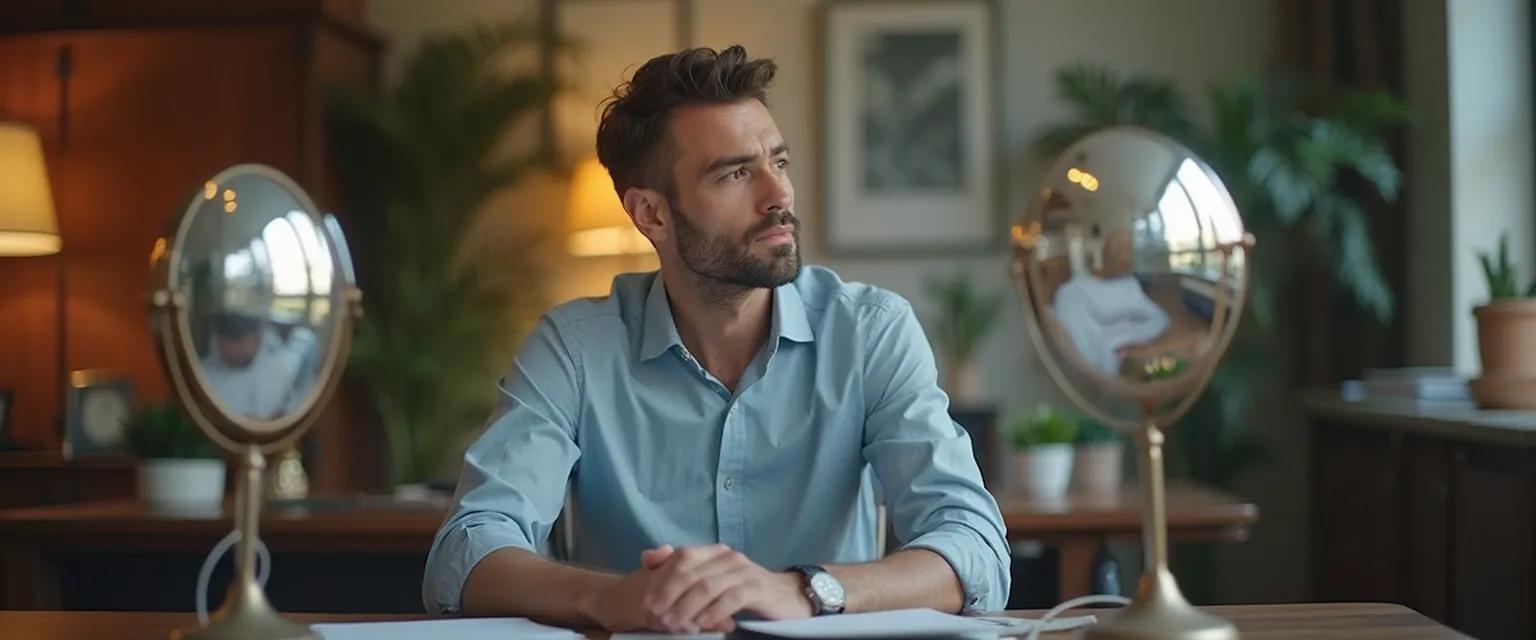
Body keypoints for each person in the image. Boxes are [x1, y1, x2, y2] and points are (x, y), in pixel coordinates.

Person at [423, 45, 1009, 634]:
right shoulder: (575, 348)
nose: (777, 195)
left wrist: (806, 591)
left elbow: (973, 544)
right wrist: (614, 599)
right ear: (651, 215)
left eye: (779, 162)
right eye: (734, 173)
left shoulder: (870, 332)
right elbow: (467, 552)